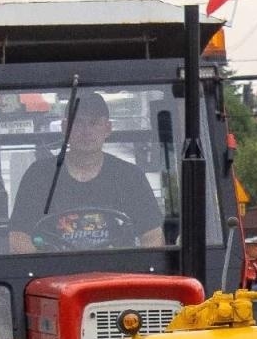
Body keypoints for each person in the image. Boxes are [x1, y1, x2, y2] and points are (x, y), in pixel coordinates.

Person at [8, 91, 162, 252]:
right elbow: (18, 237)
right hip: (56, 274)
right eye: (78, 123)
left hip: (116, 272)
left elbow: (153, 236)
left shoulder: (131, 176)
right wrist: (46, 269)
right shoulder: (38, 176)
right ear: (65, 128)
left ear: (107, 128)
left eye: (94, 123)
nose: (86, 131)